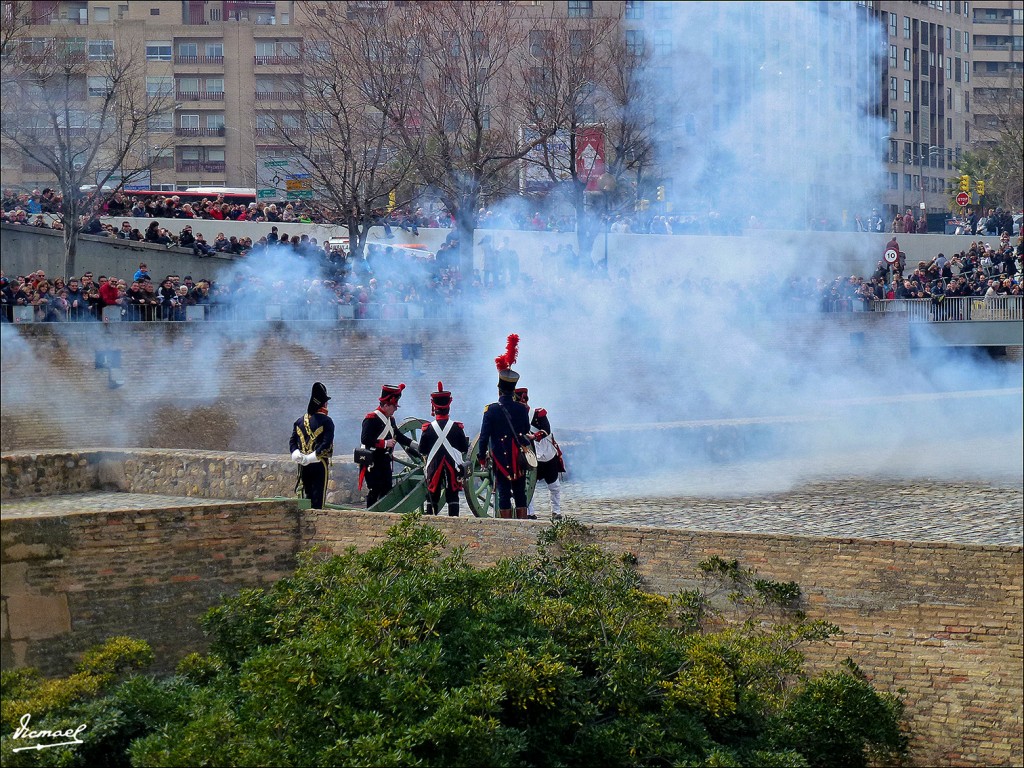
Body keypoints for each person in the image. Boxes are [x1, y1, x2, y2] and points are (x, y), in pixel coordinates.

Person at [476, 334, 533, 520]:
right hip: (518, 457)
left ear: (499, 389)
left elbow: (483, 438)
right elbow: (525, 432)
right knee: (520, 493)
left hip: (500, 457)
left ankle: (506, 526)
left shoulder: (490, 410)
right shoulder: (522, 409)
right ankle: (523, 523)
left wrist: (482, 458)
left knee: (503, 493)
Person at [359, 383, 419, 508]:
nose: (396, 409)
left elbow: (398, 435)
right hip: (373, 461)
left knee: (386, 489)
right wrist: (385, 443)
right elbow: (365, 439)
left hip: (385, 461)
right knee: (374, 490)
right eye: (394, 406)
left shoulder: (391, 419)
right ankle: (370, 514)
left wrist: (415, 444)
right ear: (386, 405)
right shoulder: (371, 419)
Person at [417, 382, 470, 517]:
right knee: (453, 494)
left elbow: (422, 450)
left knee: (433, 494)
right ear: (448, 406)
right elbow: (464, 448)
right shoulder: (457, 428)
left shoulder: (427, 429)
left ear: (434, 407)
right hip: (452, 465)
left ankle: (430, 519)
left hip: (434, 466)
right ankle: (454, 520)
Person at [515, 387, 565, 521]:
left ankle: (556, 511)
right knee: (528, 487)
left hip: (547, 455)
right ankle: (530, 513)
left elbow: (546, 430)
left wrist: (535, 436)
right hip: (530, 457)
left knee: (554, 486)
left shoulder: (539, 414)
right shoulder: (514, 418)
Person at [289, 382, 335, 509]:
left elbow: (292, 442)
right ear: (323, 404)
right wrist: (311, 458)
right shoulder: (327, 421)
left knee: (306, 498)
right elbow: (326, 444)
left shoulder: (299, 421)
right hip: (319, 464)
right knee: (318, 501)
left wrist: (297, 454)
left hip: (303, 464)